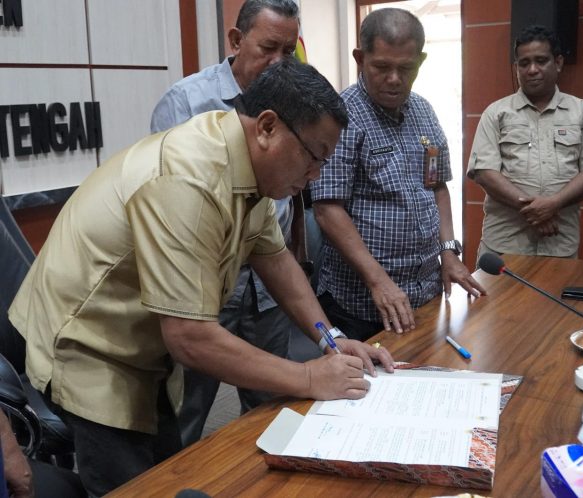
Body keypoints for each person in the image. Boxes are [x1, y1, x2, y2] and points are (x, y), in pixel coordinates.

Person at [9, 59, 394, 497]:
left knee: (174, 470)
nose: (315, 176)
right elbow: (190, 337)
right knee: (133, 487)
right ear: (267, 127)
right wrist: (308, 378)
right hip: (86, 346)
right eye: (314, 157)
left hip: (142, 346)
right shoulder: (188, 179)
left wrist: (329, 338)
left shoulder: (249, 166)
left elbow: (276, 259)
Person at [150, 0, 306, 446]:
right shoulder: (186, 101)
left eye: (289, 52)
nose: (279, 64)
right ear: (236, 41)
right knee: (189, 416)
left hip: (268, 281)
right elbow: (171, 204)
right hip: (203, 287)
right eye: (269, 48)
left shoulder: (291, 101)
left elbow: (292, 197)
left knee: (272, 405)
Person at [310, 8, 486, 341]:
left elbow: (438, 187)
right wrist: (378, 280)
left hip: (424, 292)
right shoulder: (340, 116)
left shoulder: (423, 111)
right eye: (381, 67)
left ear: (421, 61)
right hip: (362, 304)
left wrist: (448, 251)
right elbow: (327, 209)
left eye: (406, 68)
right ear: (360, 58)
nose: (394, 79)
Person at [467, 25, 583, 259]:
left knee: (553, 297)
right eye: (524, 63)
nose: (532, 69)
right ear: (516, 68)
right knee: (499, 298)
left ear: (559, 62)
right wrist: (535, 211)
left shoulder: (582, 112)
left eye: (541, 60)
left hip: (559, 244)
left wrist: (553, 204)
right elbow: (484, 172)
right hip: (504, 246)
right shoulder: (496, 112)